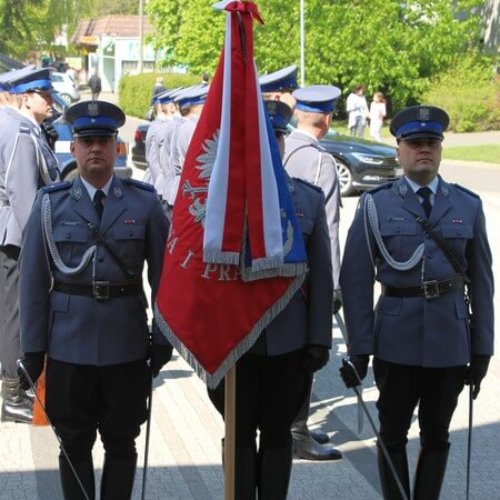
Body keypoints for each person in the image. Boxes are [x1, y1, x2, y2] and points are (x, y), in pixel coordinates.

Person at [17, 100, 172, 499]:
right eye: (86, 141)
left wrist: (163, 336)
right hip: (68, 347)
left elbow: (164, 278)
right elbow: (32, 283)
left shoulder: (145, 203)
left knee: (122, 443)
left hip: (125, 345)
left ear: (117, 146)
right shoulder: (50, 205)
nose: (95, 149)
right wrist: (32, 349)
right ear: (74, 149)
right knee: (73, 444)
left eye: (103, 140)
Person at [339, 105, 494, 500]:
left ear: (440, 149)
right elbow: (355, 282)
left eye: (431, 143)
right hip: (396, 339)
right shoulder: (376, 206)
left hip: (449, 339)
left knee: (438, 436)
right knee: (391, 434)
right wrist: (360, 350)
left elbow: (482, 284)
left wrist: (482, 350)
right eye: (414, 143)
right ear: (399, 151)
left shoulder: (467, 205)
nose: (423, 149)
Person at [208, 99, 333, 498]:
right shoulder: (221, 203)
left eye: (275, 138)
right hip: (236, 344)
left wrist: (318, 340)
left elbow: (321, 275)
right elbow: (206, 276)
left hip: (288, 342)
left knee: (278, 433)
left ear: (282, 143)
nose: (269, 146)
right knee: (239, 432)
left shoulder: (308, 200)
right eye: (259, 138)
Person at [283, 85, 343, 461]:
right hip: (306, 276)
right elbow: (329, 229)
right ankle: (297, 432)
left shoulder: (281, 147)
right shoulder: (320, 161)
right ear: (327, 118)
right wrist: (332, 284)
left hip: (277, 273)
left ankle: (294, 426)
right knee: (307, 354)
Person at [0, 67, 60, 424]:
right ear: (26, 97)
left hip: (11, 235)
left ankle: (12, 385)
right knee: (16, 315)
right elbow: (24, 196)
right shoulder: (22, 133)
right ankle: (11, 393)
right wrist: (44, 248)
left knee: (11, 312)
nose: (50, 100)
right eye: (44, 94)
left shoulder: (19, 127)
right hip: (19, 238)